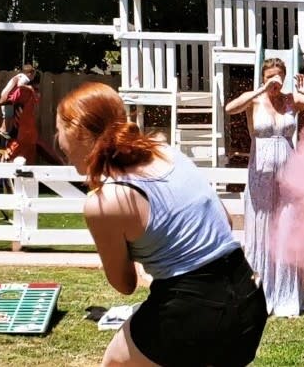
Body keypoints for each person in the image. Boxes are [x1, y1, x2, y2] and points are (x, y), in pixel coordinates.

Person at [55, 82, 268, 366]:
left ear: (79, 132)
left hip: (192, 310)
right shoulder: (165, 150)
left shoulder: (103, 202)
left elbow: (124, 284)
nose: (58, 140)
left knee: (117, 362)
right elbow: (224, 221)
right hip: (248, 298)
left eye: (60, 130)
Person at [225, 58, 304, 317]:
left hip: (288, 172)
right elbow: (229, 108)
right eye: (270, 77)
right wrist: (262, 90)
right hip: (260, 172)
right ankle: (259, 294)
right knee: (261, 229)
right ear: (263, 78)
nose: (275, 82)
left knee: (287, 228)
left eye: (279, 77)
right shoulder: (254, 99)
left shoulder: (290, 100)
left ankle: (288, 296)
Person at [0, 67, 40, 164]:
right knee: (8, 117)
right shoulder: (25, 82)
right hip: (25, 131)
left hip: (22, 130)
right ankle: (3, 129)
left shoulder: (21, 81)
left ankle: (4, 130)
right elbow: (19, 87)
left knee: (8, 117)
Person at [0, 64, 36, 142]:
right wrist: (29, 87)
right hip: (8, 97)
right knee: (8, 115)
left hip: (6, 95)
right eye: (33, 75)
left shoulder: (20, 76)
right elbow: (20, 85)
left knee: (9, 115)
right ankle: (3, 130)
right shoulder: (25, 78)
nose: (33, 77)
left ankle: (5, 130)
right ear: (29, 74)